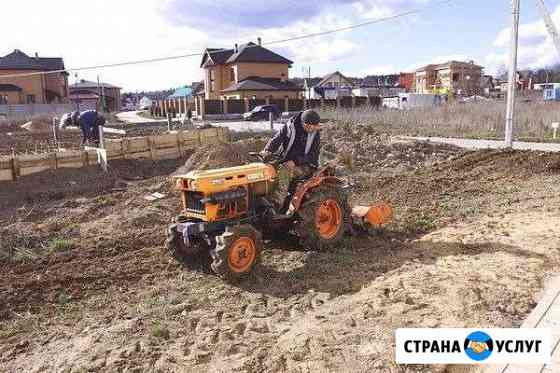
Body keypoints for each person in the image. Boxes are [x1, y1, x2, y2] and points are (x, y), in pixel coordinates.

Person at [260, 109, 322, 212]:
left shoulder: (315, 134)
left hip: (306, 165)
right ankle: (262, 199)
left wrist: (295, 162)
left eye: (314, 127)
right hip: (286, 159)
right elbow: (277, 138)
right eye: (310, 127)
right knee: (268, 168)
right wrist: (267, 150)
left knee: (284, 170)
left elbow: (313, 156)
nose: (312, 129)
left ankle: (276, 204)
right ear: (304, 124)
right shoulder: (290, 126)